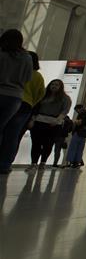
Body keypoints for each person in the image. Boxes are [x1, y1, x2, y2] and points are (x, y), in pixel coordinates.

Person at [0, 51, 42, 173]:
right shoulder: (37, 76)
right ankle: (6, 164)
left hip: (9, 98)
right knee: (14, 135)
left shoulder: (9, 65)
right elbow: (40, 94)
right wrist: (31, 102)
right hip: (24, 105)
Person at [0, 30, 33, 172]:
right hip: (15, 96)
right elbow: (27, 78)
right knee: (12, 133)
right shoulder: (27, 57)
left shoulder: (2, 54)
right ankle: (5, 165)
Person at [26, 79, 71, 170]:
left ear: (60, 87)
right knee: (36, 143)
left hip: (53, 124)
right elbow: (36, 108)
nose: (54, 86)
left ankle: (43, 162)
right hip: (39, 121)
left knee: (48, 144)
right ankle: (34, 163)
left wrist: (57, 120)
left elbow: (65, 111)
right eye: (52, 84)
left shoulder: (65, 98)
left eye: (57, 85)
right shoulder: (43, 96)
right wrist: (32, 120)